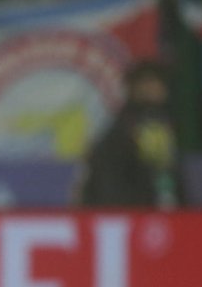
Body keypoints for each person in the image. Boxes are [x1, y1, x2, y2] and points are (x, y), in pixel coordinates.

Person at [78, 60, 186, 209]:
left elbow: (171, 176)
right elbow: (108, 185)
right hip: (125, 217)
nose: (156, 88)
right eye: (149, 82)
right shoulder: (120, 130)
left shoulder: (167, 123)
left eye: (160, 83)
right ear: (134, 87)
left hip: (165, 217)